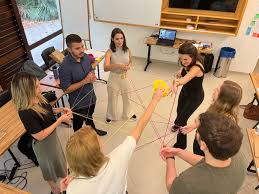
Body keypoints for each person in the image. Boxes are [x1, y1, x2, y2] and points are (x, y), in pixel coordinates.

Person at [60, 88, 166, 194]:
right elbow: (141, 125)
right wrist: (155, 99)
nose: (99, 137)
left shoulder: (73, 188)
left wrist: (64, 189)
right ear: (99, 149)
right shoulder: (118, 158)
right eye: (97, 138)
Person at [11, 72, 72, 194]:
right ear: (26, 90)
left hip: (52, 140)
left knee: (59, 160)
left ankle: (63, 177)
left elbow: (47, 110)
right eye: (37, 87)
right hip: (44, 146)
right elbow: (39, 135)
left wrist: (60, 110)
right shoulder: (25, 112)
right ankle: (55, 190)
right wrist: (60, 120)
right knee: (49, 168)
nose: (41, 88)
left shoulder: (38, 98)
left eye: (39, 85)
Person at [161, 112, 245, 194]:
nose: (196, 130)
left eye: (197, 130)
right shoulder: (236, 153)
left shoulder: (188, 183)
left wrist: (170, 158)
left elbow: (171, 187)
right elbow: (207, 161)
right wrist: (179, 152)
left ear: (203, 145)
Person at [59, 34, 107, 136]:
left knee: (89, 116)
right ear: (69, 49)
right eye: (77, 48)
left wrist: (92, 75)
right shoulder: (64, 67)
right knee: (78, 124)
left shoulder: (85, 57)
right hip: (78, 104)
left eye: (82, 46)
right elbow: (66, 90)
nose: (82, 50)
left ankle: (93, 131)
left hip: (90, 97)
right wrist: (85, 81)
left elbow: (90, 70)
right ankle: (78, 141)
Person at [181, 80, 242, 156]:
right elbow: (205, 118)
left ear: (222, 99)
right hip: (200, 141)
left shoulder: (225, 122)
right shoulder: (216, 107)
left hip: (206, 149)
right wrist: (194, 126)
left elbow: (214, 142)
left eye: (217, 90)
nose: (214, 89)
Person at [171, 42, 205, 149]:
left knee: (181, 120)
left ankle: (181, 146)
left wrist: (176, 83)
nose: (182, 61)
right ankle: (177, 124)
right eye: (181, 59)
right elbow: (185, 70)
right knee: (179, 112)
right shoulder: (187, 63)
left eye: (185, 59)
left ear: (193, 57)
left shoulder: (197, 67)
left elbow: (186, 79)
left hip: (195, 97)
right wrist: (180, 71)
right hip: (185, 93)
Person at [104, 28, 136, 124]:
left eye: (121, 38)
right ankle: (111, 115)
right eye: (117, 39)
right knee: (112, 98)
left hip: (124, 76)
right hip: (114, 77)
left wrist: (128, 66)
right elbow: (106, 68)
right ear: (112, 39)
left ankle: (128, 113)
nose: (120, 41)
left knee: (127, 96)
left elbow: (130, 61)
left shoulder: (127, 50)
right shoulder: (109, 52)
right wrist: (118, 65)